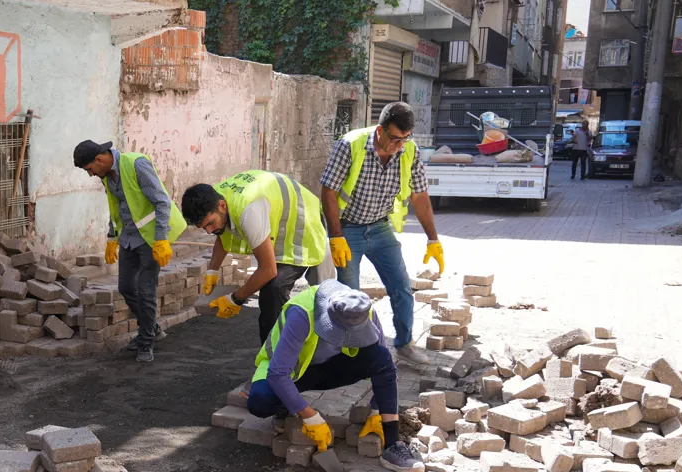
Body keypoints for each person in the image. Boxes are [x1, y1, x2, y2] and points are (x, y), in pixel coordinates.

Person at [245, 280, 424, 472]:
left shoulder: (361, 310)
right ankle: (286, 406)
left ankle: (393, 445)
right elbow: (278, 373)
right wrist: (310, 417)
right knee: (260, 401)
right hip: (293, 371)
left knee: (381, 357)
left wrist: (377, 409)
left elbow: (385, 366)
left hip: (332, 367)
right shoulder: (302, 312)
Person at [319, 101, 443, 366]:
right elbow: (328, 190)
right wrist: (335, 236)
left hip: (380, 228)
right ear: (380, 130)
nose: (400, 146)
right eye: (395, 139)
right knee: (349, 296)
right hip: (348, 229)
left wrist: (433, 238)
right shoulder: (350, 145)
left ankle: (405, 344)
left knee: (402, 288)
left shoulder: (409, 151)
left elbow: (419, 195)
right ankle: (350, 352)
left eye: (405, 139)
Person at [180, 171, 329, 345]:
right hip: (279, 222)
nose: (209, 231)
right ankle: (273, 352)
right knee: (271, 293)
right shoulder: (216, 198)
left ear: (221, 206)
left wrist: (235, 299)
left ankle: (281, 357)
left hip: (302, 224)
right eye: (203, 228)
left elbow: (268, 269)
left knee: (274, 289)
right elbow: (223, 235)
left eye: (210, 224)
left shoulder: (249, 211)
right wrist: (212, 270)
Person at [74, 140, 186, 363]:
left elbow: (162, 202)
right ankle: (152, 328)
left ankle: (146, 342)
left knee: (146, 291)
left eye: (89, 169)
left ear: (99, 159)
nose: (90, 175)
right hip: (129, 238)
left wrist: (161, 239)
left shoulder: (136, 165)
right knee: (126, 287)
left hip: (151, 238)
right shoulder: (107, 176)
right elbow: (117, 208)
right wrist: (111, 238)